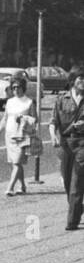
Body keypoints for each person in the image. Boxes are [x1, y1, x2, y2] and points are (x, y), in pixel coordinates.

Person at [50, 68, 84, 230]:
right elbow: (53, 121)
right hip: (65, 145)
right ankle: (77, 208)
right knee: (67, 181)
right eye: (80, 79)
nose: (83, 82)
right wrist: (53, 137)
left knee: (76, 182)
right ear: (73, 80)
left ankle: (72, 221)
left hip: (82, 145)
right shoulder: (62, 99)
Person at [0, 73, 35, 197]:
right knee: (15, 163)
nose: (16, 89)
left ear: (23, 88)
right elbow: (4, 119)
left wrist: (24, 117)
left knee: (17, 162)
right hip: (10, 135)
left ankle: (10, 188)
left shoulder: (29, 102)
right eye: (13, 87)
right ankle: (22, 186)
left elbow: (35, 119)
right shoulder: (10, 102)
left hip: (23, 136)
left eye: (18, 87)